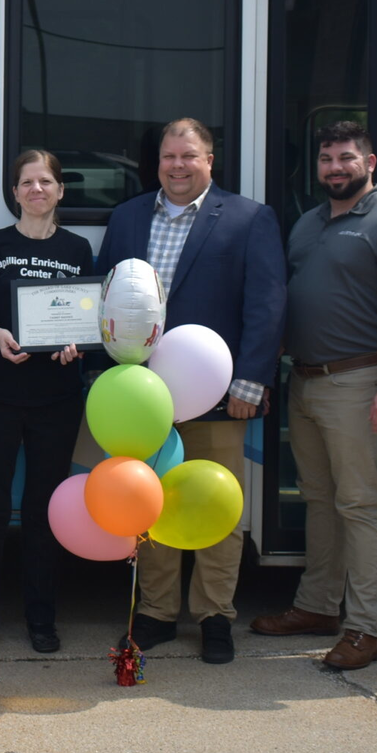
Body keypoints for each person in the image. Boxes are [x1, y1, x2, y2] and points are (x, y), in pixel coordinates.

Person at [98, 118, 285, 664]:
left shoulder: (251, 219)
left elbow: (267, 305)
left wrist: (249, 382)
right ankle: (156, 611)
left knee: (214, 504)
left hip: (218, 394)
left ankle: (213, 615)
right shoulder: (129, 216)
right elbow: (103, 294)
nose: (177, 166)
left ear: (210, 161)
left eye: (189, 156)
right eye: (168, 157)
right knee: (149, 502)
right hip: (144, 395)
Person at [251, 122, 377, 670]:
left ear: (369, 163)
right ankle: (317, 606)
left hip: (358, 381)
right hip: (302, 380)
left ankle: (364, 629)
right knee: (319, 499)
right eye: (326, 159)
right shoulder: (306, 224)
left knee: (360, 504)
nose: (334, 168)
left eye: (346, 158)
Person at [0, 150, 93, 654]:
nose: (36, 190)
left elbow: (86, 321)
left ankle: (41, 617)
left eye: (46, 182)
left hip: (56, 399)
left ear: (60, 190)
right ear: (14, 192)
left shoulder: (78, 249)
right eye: (26, 182)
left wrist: (75, 344)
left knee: (44, 511)